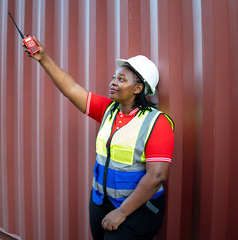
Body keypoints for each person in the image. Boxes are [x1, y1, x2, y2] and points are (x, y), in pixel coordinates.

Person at [23, 37, 174, 240]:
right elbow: (72, 89)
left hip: (138, 209)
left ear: (138, 88)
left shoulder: (157, 123)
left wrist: (121, 213)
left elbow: (156, 177)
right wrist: (43, 58)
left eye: (121, 79)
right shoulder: (108, 110)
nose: (113, 82)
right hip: (101, 202)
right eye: (114, 77)